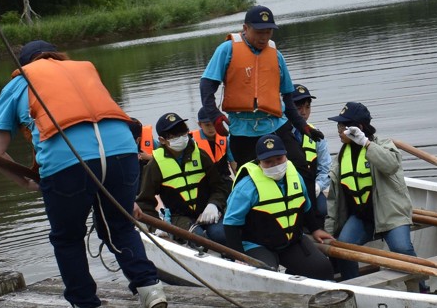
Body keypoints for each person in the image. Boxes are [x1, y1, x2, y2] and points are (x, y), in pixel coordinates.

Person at [0, 40, 168, 308]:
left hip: (67, 162)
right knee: (118, 226)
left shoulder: (20, 81)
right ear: (58, 57)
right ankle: (150, 289)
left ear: (24, 64)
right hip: (122, 153)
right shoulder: (84, 71)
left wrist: (25, 182)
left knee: (68, 238)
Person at [198, 5, 322, 169]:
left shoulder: (276, 55)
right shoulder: (227, 50)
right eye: (259, 32)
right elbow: (207, 85)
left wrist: (302, 125)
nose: (264, 37)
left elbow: (288, 97)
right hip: (242, 131)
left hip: (276, 126)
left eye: (268, 32)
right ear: (245, 28)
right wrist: (214, 115)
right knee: (252, 177)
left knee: (300, 167)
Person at [325, 101, 417, 279]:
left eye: (343, 125)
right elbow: (334, 202)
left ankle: (421, 287)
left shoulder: (383, 145)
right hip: (362, 217)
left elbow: (391, 165)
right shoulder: (340, 158)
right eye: (338, 125)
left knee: (401, 249)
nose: (338, 129)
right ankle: (353, 286)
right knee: (343, 246)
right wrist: (329, 233)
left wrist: (366, 143)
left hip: (390, 213)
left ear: (358, 127)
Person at [221, 133, 333, 278]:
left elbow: (305, 205)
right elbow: (230, 223)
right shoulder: (247, 186)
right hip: (257, 244)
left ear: (285, 156)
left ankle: (295, 274)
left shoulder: (295, 175)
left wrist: (315, 229)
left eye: (279, 159)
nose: (275, 165)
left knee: (322, 269)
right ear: (259, 162)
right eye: (268, 161)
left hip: (290, 241)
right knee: (268, 278)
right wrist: (238, 255)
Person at [137, 111, 229, 245]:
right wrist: (156, 226)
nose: (181, 137)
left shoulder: (201, 155)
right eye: (174, 135)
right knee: (198, 239)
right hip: (179, 217)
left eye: (183, 132)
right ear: (162, 140)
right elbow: (145, 202)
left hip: (207, 212)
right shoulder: (155, 165)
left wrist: (214, 204)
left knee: (221, 234)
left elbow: (219, 186)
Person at [280, 84, 331, 215]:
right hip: (285, 189)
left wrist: (318, 186)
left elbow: (325, 168)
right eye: (299, 107)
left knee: (323, 209)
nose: (304, 112)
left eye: (307, 107)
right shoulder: (278, 135)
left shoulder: (316, 135)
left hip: (310, 187)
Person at [191, 104, 232, 175]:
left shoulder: (226, 139)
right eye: (207, 125)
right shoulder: (191, 141)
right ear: (200, 124)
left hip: (223, 178)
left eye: (214, 124)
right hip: (203, 179)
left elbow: (233, 162)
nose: (211, 128)